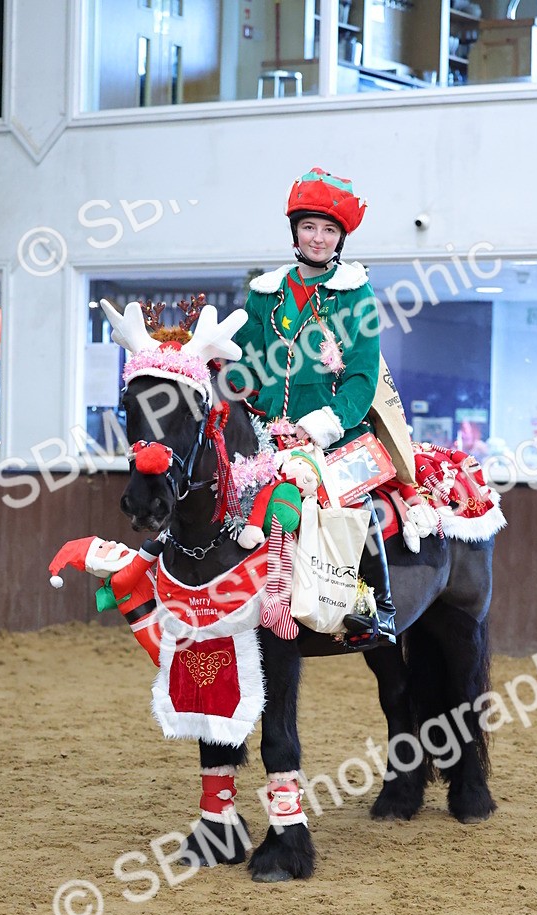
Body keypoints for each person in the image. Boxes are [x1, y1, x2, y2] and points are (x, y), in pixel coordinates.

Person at [228, 166, 396, 646]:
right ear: (295, 232)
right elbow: (243, 359)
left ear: (340, 237)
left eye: (328, 230)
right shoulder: (266, 294)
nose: (318, 238)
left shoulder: (355, 293)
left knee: (355, 504)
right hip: (265, 433)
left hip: (335, 435)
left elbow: (362, 377)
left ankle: (377, 606)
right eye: (309, 227)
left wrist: (323, 425)